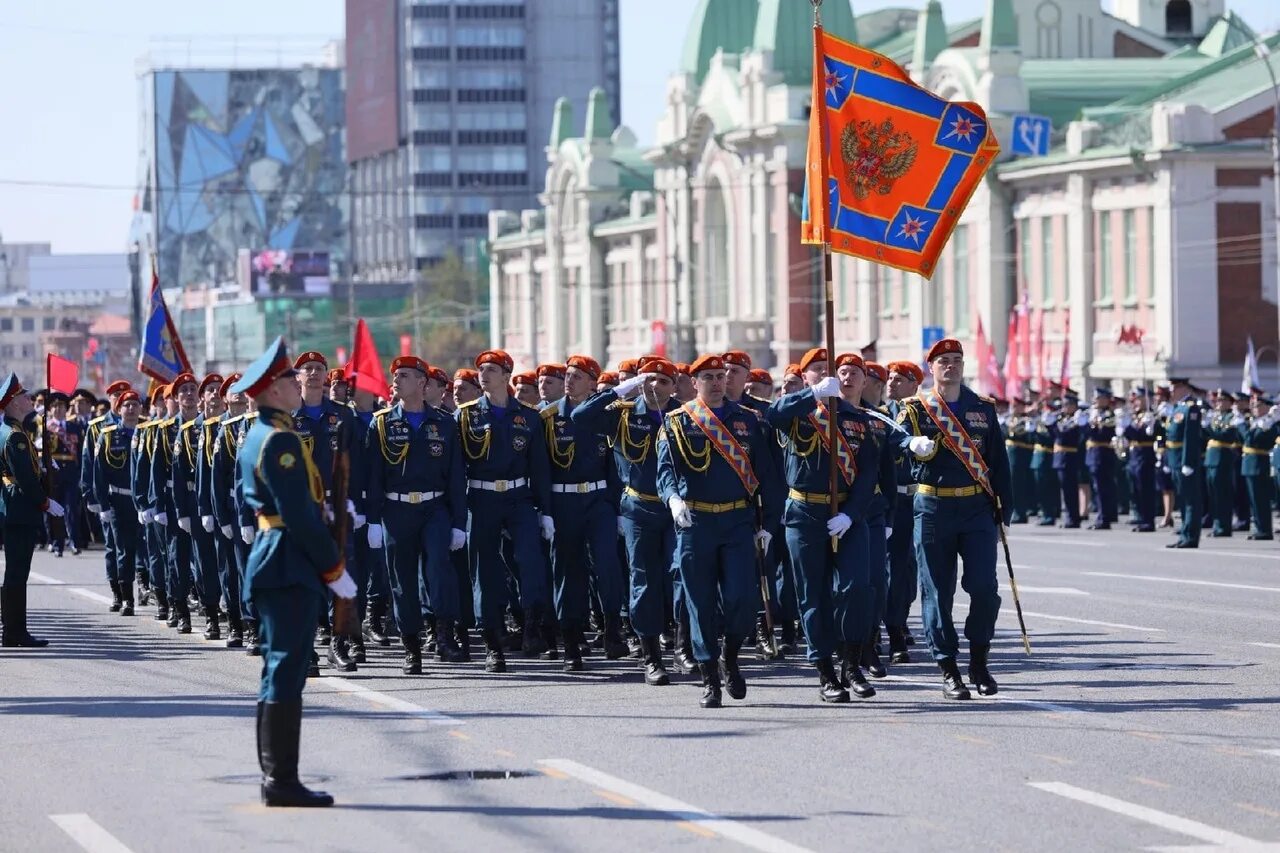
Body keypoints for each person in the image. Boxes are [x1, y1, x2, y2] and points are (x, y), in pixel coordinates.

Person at [231, 337, 355, 808]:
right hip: (287, 560)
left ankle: (277, 776)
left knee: (278, 671)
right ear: (272, 391)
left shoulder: (264, 433)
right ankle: (281, 780)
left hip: (276, 557)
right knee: (286, 670)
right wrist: (333, 567)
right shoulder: (279, 439)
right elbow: (297, 515)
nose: (293, 383)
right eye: (286, 378)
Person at [656, 355, 780, 708]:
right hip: (696, 524)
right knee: (700, 603)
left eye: (719, 376)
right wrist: (673, 500)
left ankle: (730, 653)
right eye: (706, 377)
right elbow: (665, 471)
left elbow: (767, 477)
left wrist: (768, 525)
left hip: (738, 522)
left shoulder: (748, 421)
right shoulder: (678, 422)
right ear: (693, 383)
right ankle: (710, 676)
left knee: (742, 598)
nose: (714, 382)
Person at [896, 339, 1012, 700]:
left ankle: (979, 660)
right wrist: (909, 446)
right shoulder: (914, 409)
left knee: (984, 589)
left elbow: (999, 463)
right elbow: (893, 442)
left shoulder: (983, 409)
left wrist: (1002, 513)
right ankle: (948, 667)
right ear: (931, 368)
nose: (951, 366)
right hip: (933, 509)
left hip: (976, 509)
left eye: (957, 360)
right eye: (943, 361)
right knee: (936, 591)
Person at [766, 349, 878, 702]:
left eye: (826, 369)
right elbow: (773, 415)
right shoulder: (798, 413)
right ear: (806, 377)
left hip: (846, 515)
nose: (824, 374)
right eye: (816, 370)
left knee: (856, 588)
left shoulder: (856, 418)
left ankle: (851, 663)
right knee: (812, 595)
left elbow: (868, 473)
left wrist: (852, 513)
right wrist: (812, 395)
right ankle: (825, 671)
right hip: (805, 513)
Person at [573, 358, 683, 685]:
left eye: (662, 381)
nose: (654, 387)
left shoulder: (685, 415)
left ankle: (684, 644)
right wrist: (620, 390)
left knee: (683, 574)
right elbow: (581, 416)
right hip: (639, 507)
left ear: (673, 386)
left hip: (677, 509)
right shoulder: (623, 412)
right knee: (644, 581)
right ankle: (651, 657)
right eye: (648, 380)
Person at [364, 355, 467, 675]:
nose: (396, 380)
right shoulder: (381, 423)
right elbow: (373, 477)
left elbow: (455, 477)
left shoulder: (444, 423)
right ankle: (411, 646)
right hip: (396, 510)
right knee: (401, 579)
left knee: (439, 569)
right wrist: (372, 521)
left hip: (434, 508)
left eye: (404, 375)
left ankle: (444, 635)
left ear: (422, 383)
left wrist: (458, 524)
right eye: (395, 375)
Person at [457, 349, 553, 672]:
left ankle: (531, 626)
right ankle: (492, 644)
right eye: (481, 369)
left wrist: (546, 511)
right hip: (482, 499)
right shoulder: (466, 416)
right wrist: (458, 517)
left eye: (492, 369)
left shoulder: (528, 417)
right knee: (484, 571)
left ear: (506, 376)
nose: (483, 374)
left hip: (519, 498)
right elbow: (457, 471)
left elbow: (539, 468)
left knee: (530, 560)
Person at [1, 373, 65, 646]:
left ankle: (13, 630)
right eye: (24, 396)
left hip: (14, 505)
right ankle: (14, 631)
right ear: (14, 403)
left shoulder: (10, 429)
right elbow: (23, 478)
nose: (29, 399)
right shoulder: (14, 435)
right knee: (17, 571)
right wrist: (46, 502)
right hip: (19, 507)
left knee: (15, 571)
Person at [92, 390, 144, 616]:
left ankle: (152, 593)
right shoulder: (108, 435)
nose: (131, 409)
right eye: (127, 405)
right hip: (119, 501)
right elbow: (99, 473)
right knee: (123, 550)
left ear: (141, 408)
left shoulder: (147, 433)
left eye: (135, 404)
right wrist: (102, 505)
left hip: (143, 502)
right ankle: (125, 598)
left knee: (148, 550)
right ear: (119, 409)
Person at [884, 360, 923, 662]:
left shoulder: (924, 415)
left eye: (900, 379)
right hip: (889, 501)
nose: (892, 382)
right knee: (889, 569)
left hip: (917, 500)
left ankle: (901, 618)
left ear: (915, 385)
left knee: (909, 570)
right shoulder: (879, 415)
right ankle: (891, 629)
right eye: (890, 378)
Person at [1164, 378, 1205, 549]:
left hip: (1185, 460)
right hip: (1175, 459)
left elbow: (1190, 438)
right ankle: (1184, 533)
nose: (1172, 391)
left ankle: (1191, 536)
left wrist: (1187, 462)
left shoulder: (1191, 408)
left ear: (1184, 389)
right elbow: (1170, 437)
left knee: (1191, 500)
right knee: (1183, 499)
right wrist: (1168, 460)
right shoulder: (1176, 408)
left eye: (1175, 388)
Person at [1203, 389, 1242, 538]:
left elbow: (1226, 436)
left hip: (1222, 459)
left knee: (1223, 495)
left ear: (1228, 403)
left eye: (1221, 401)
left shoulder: (1231, 418)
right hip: (1211, 459)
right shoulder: (1216, 417)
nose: (1218, 403)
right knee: (1213, 495)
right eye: (1217, 401)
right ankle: (1217, 524)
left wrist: (1208, 429)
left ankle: (1224, 526)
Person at [1117, 390, 1158, 532]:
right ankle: (1142, 518)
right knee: (1136, 489)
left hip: (1145, 455)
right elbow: (1131, 437)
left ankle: (1148, 520)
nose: (1136, 402)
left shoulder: (1150, 416)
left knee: (1145, 489)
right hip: (1134, 455)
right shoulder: (1136, 416)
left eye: (1139, 399)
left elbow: (1143, 436)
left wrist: (1129, 428)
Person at [1239, 396, 1278, 540]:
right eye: (1253, 405)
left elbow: (1251, 439)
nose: (1254, 408)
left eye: (1258, 405)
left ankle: (1265, 530)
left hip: (1259, 463)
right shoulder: (1256, 422)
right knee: (1254, 500)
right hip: (1249, 463)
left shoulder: (1270, 424)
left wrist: (1242, 426)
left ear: (1267, 407)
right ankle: (1258, 527)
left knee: (1261, 499)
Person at [1084, 387, 1119, 530]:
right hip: (1093, 454)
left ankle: (1104, 518)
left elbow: (1101, 434)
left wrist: (1093, 424)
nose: (1095, 401)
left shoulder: (1109, 415)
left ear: (1105, 400)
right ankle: (1102, 516)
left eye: (1098, 398)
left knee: (1103, 488)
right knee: (1098, 487)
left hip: (1103, 454)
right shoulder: (1094, 414)